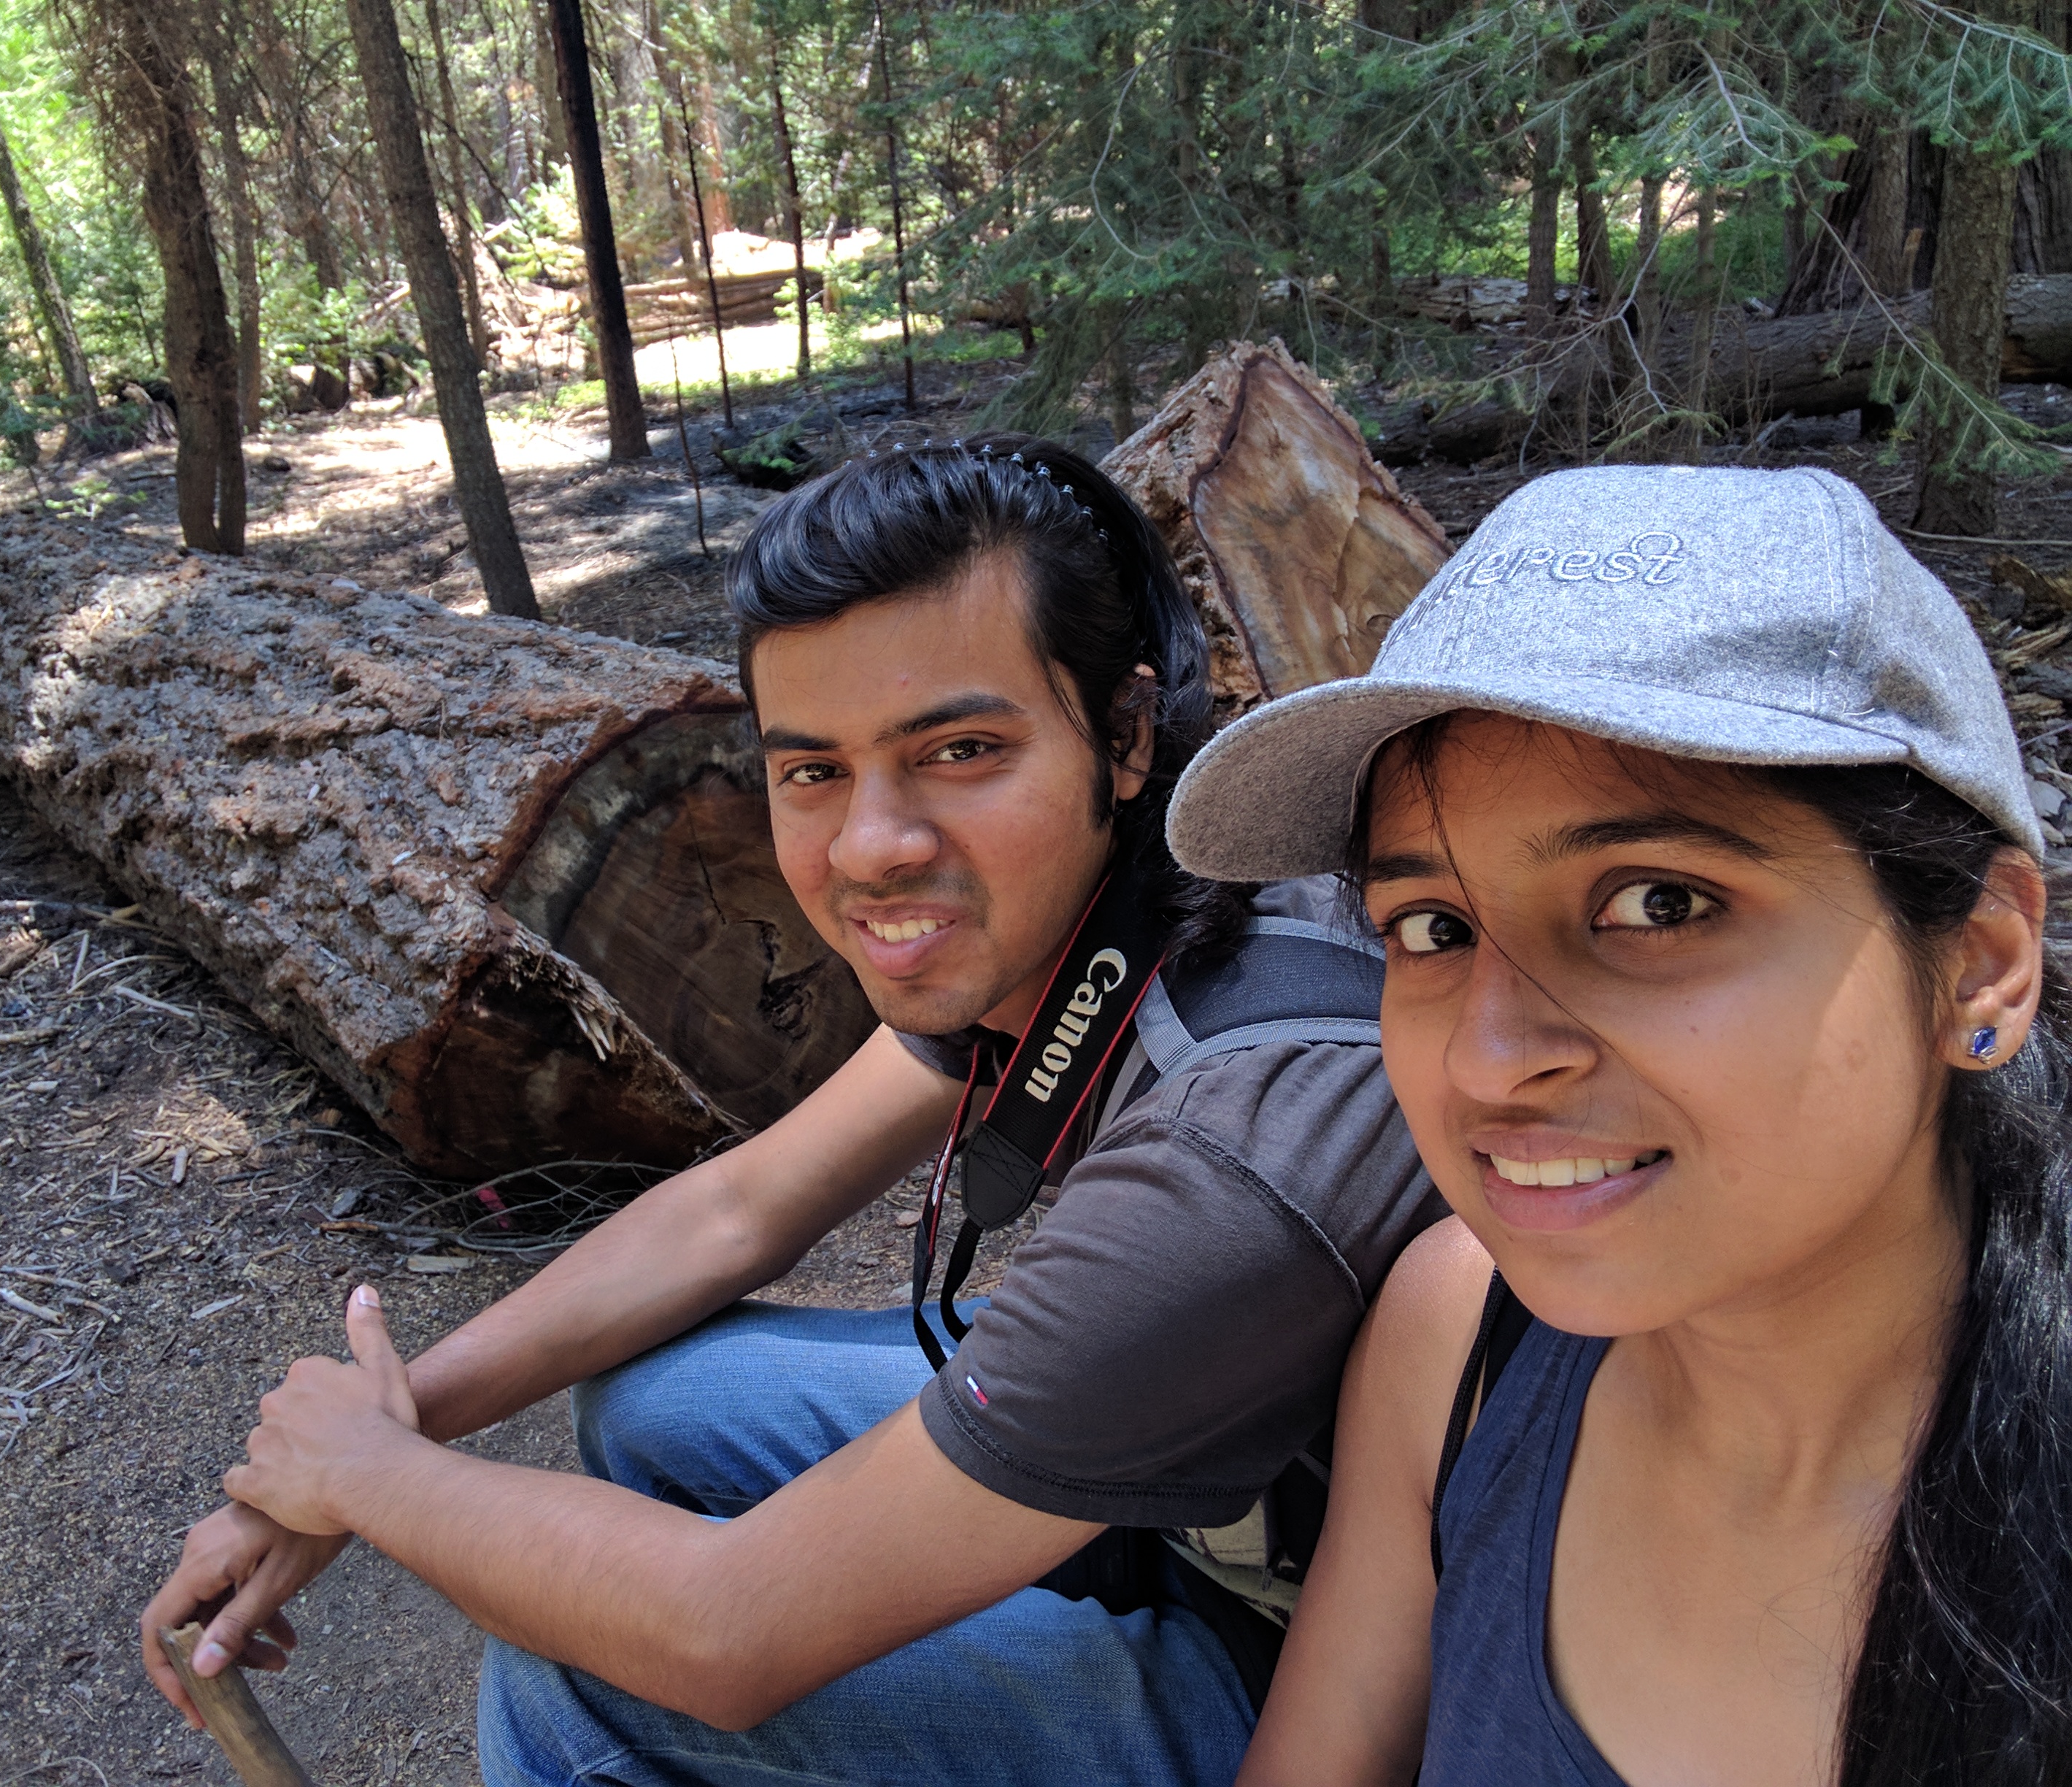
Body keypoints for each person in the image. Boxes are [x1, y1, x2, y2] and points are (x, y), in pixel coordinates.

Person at [137, 436, 1446, 1784]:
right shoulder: (1129, 895)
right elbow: (736, 1208)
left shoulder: (1225, 1155)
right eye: (812, 770)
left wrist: (365, 1480)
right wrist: (401, 1413)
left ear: (1121, 731)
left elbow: (725, 1634)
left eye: (961, 749)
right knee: (662, 1399)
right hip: (1241, 1480)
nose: (874, 845)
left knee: (585, 1687)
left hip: (1326, 1675)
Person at [1158, 464, 2072, 1784]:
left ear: (1982, 962)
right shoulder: (1460, 1337)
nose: (1486, 1058)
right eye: (1433, 929)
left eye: (1657, 905)